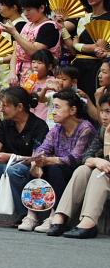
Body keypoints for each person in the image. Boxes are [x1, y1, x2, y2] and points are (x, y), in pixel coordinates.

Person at [20, 89, 96, 232]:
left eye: (57, 107)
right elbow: (42, 148)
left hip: (79, 172)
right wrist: (37, 162)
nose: (53, 111)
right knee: (35, 168)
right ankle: (32, 214)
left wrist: (48, 161)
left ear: (73, 110)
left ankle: (55, 215)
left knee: (54, 169)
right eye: (52, 107)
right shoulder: (57, 129)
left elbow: (75, 158)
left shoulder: (86, 128)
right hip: (60, 167)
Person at [0, 87, 49, 226]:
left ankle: (24, 214)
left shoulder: (39, 126)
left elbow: (36, 159)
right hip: (7, 165)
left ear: (19, 107)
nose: (1, 109)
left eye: (5, 105)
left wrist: (11, 157)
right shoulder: (6, 124)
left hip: (28, 169)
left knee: (14, 170)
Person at [47, 94, 110, 239]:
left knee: (98, 174)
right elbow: (86, 157)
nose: (104, 116)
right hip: (104, 170)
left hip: (105, 175)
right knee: (83, 170)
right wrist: (96, 161)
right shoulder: (102, 130)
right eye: (102, 111)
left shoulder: (102, 131)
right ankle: (61, 216)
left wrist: (107, 142)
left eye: (109, 112)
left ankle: (88, 222)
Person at [60, 0, 110, 98]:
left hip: (94, 67)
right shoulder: (83, 18)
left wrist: (77, 45)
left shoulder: (107, 18)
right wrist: (62, 27)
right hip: (77, 67)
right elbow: (73, 50)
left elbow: (98, 47)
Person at [1, 0, 61, 85]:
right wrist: (12, 72)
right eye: (23, 10)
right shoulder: (27, 25)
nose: (25, 14)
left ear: (41, 8)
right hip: (19, 74)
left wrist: (14, 33)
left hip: (40, 77)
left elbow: (34, 52)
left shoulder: (49, 27)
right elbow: (16, 51)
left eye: (28, 10)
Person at [21, 49, 57, 122]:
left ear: (49, 67)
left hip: (45, 117)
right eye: (33, 62)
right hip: (29, 117)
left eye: (39, 63)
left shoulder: (52, 82)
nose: (35, 66)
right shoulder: (27, 80)